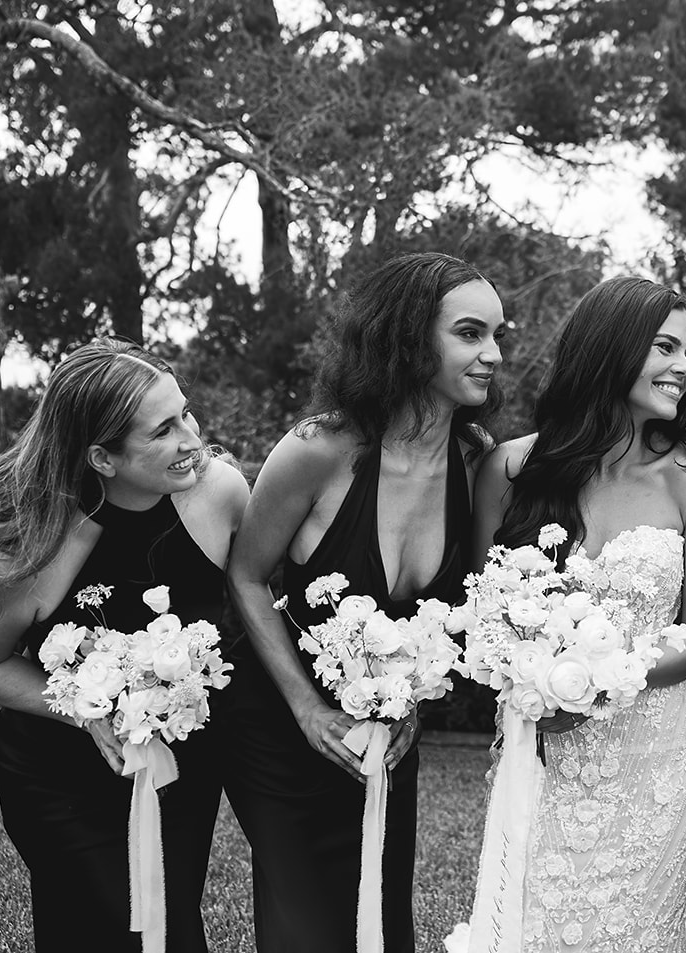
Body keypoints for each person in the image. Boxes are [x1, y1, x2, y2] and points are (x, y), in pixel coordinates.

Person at [226, 252, 506, 953]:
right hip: (281, 729)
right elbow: (247, 577)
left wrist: (409, 702)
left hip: (386, 735)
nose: (493, 353)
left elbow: (457, 615)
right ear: (408, 337)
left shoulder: (476, 460)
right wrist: (307, 707)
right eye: (470, 333)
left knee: (379, 924)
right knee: (306, 930)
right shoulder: (317, 449)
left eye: (499, 334)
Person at [0, 340, 249, 953]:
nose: (192, 439)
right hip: (60, 779)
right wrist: (88, 713)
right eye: (163, 430)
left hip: (181, 774)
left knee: (170, 922)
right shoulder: (23, 550)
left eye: (186, 414)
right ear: (101, 458)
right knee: (111, 930)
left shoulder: (218, 493)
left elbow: (253, 608)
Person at [472, 275, 686, 952]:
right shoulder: (511, 467)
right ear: (609, 347)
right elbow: (485, 611)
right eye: (665, 346)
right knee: (533, 922)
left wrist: (605, 677)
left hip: (656, 751)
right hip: (543, 744)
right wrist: (536, 684)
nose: (683, 366)